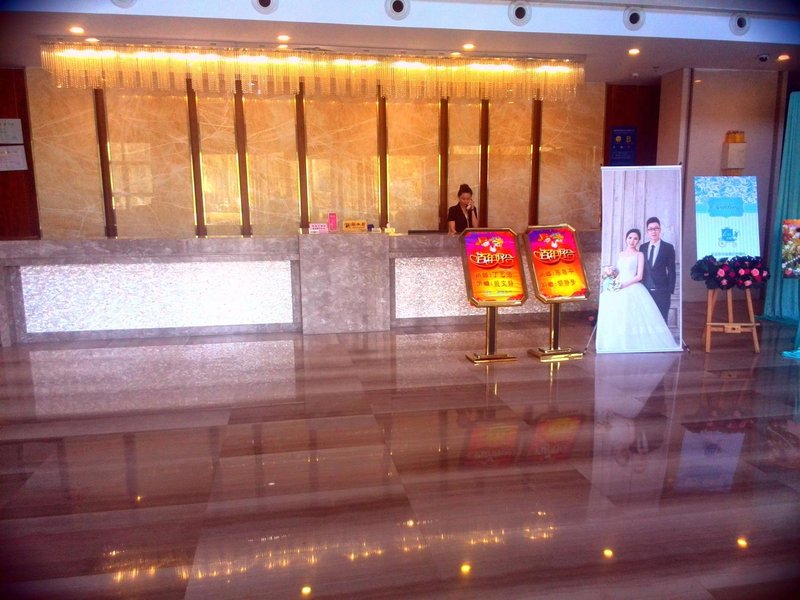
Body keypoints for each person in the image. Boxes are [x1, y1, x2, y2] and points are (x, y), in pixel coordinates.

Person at [596, 228, 678, 353]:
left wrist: (624, 285)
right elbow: (619, 272)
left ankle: (634, 342)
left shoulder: (639, 255)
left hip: (632, 286)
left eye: (635, 239)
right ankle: (617, 342)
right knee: (616, 313)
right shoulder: (621, 254)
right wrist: (611, 275)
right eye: (630, 238)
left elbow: (639, 276)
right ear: (626, 239)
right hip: (619, 285)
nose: (632, 241)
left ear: (638, 241)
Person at [639, 216, 676, 324]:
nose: (653, 231)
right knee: (647, 321)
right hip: (645, 290)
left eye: (656, 228)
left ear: (660, 230)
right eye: (650, 229)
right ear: (647, 231)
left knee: (662, 320)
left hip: (662, 292)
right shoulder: (642, 247)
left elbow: (672, 270)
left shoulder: (668, 247)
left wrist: (669, 290)